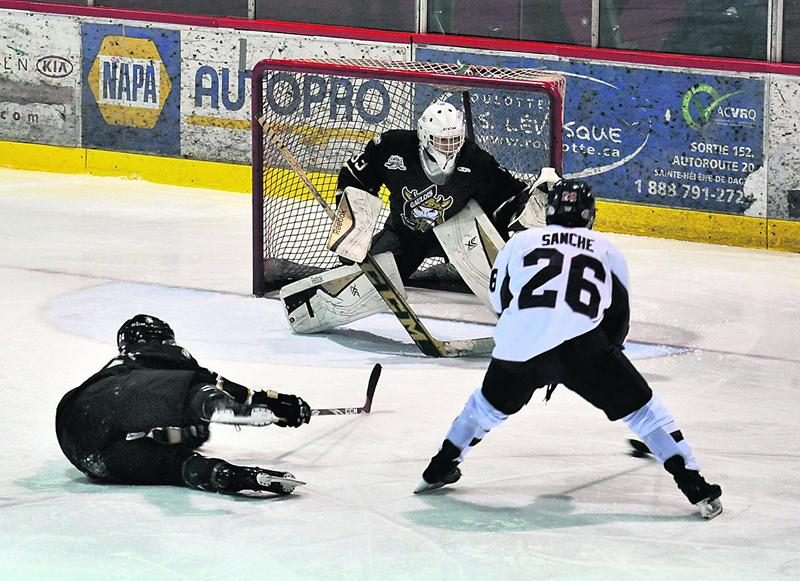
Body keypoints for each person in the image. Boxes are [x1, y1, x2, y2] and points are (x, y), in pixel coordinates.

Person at [415, 180, 723, 520]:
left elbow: (499, 301)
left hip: (520, 346)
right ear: (590, 216)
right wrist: (606, 364)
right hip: (584, 348)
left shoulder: (519, 242)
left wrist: (530, 333)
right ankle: (694, 485)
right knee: (644, 413)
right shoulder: (607, 251)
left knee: (483, 408)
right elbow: (618, 316)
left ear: (548, 213)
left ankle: (438, 468)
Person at [280, 101, 550, 334]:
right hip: (405, 236)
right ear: (424, 135)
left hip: (458, 236)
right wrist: (351, 228)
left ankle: (530, 314)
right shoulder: (392, 147)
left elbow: (509, 196)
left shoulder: (476, 162)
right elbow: (355, 177)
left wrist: (530, 212)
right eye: (441, 141)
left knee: (500, 277)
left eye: (454, 140)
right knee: (366, 283)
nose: (449, 148)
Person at [56, 314, 311, 495]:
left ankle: (223, 475)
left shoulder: (123, 369)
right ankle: (218, 407)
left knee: (173, 465)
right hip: (104, 407)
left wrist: (184, 434)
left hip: (81, 445)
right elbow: (224, 386)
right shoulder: (156, 356)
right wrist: (275, 405)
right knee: (190, 388)